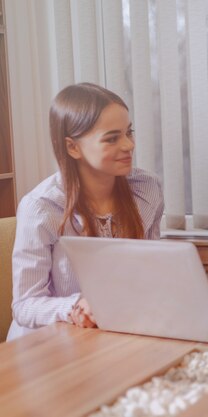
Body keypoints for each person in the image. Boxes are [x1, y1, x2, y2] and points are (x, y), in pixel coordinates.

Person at [7, 83, 164, 341]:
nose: (128, 145)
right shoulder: (41, 207)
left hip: (110, 333)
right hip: (46, 345)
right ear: (72, 147)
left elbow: (149, 268)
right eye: (112, 138)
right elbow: (25, 306)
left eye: (129, 132)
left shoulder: (147, 189)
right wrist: (75, 306)